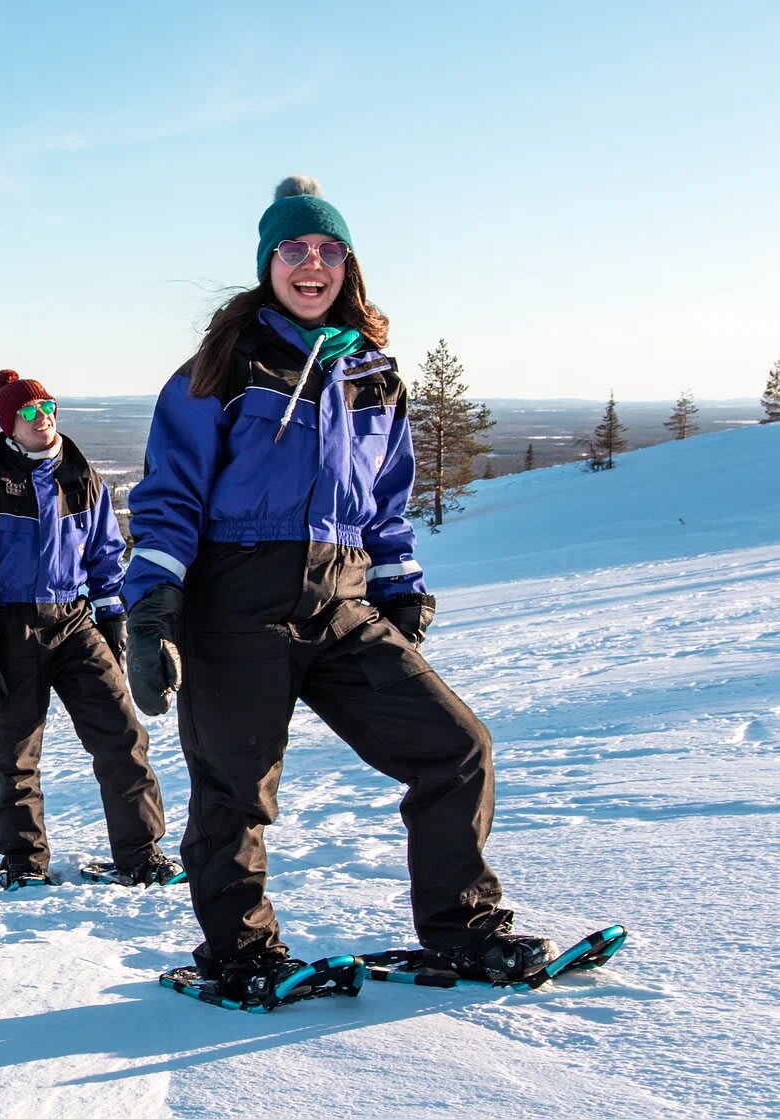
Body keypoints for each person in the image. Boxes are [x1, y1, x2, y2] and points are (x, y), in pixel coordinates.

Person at [123, 177, 553, 1003]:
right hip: (236, 605)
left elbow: (385, 504)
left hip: (342, 600)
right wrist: (153, 608)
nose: (311, 264)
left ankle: (463, 928)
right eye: (294, 249)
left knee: (455, 747)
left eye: (326, 250)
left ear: (347, 265)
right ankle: (240, 951)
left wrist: (400, 588)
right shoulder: (224, 365)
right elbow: (170, 495)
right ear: (268, 263)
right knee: (235, 793)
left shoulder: (372, 374)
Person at [0, 369, 181, 891]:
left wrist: (114, 615)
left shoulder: (82, 479)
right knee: (16, 751)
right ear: (10, 427)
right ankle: (25, 863)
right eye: (29, 412)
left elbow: (104, 553)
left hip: (75, 623)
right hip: (13, 628)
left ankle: (141, 853)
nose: (42, 417)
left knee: (122, 736)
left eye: (48, 406)